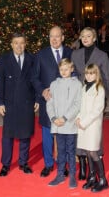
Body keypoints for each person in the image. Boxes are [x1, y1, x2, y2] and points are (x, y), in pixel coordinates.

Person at [71, 27, 109, 181]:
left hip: (94, 97)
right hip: (79, 98)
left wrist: (102, 99)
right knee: (80, 133)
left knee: (93, 135)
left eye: (89, 36)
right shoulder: (75, 54)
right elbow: (72, 74)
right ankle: (82, 168)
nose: (85, 38)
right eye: (83, 36)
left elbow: (107, 79)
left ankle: (93, 171)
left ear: (94, 38)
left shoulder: (102, 56)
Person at [0, 32, 39, 176]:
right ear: (11, 44)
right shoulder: (4, 60)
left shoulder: (32, 59)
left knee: (25, 134)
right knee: (8, 136)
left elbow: (36, 81)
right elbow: (0, 82)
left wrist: (38, 99)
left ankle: (23, 162)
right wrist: (0, 102)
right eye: (16, 43)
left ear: (25, 44)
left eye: (22, 43)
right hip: (10, 103)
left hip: (27, 102)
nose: (19, 46)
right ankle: (5, 164)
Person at [32, 26, 73, 177]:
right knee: (47, 134)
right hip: (48, 101)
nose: (54, 39)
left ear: (63, 37)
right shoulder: (41, 54)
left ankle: (63, 164)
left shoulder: (70, 52)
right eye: (51, 36)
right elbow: (34, 77)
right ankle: (48, 164)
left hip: (66, 102)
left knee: (64, 134)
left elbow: (75, 74)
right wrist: (42, 90)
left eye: (57, 36)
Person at [46, 58, 82, 188]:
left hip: (70, 125)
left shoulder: (77, 84)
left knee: (71, 151)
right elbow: (49, 103)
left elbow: (77, 104)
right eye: (61, 69)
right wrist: (54, 118)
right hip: (58, 125)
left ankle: (72, 176)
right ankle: (60, 175)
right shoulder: (54, 84)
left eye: (66, 69)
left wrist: (65, 118)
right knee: (60, 151)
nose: (64, 71)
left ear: (72, 69)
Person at [76, 63, 107, 192]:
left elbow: (97, 110)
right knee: (88, 151)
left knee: (94, 152)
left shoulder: (100, 89)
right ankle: (92, 177)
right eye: (87, 73)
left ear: (96, 74)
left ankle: (103, 179)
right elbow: (81, 106)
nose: (89, 76)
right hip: (82, 124)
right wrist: (78, 118)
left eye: (92, 73)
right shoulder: (84, 87)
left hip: (92, 125)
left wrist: (84, 122)